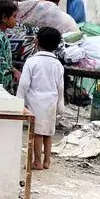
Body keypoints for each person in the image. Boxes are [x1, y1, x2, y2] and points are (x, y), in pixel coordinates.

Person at [16, 27, 65, 171]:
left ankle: (37, 162)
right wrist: (61, 105)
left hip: (35, 103)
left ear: (37, 41)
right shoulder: (58, 65)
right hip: (51, 103)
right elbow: (60, 87)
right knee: (48, 134)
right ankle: (46, 161)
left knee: (37, 133)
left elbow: (24, 84)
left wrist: (19, 101)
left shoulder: (32, 62)